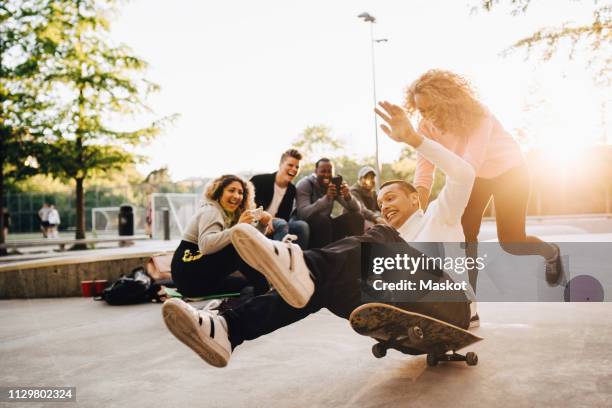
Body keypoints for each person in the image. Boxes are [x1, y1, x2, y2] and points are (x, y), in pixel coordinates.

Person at [161, 101, 477, 367]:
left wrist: (414, 139)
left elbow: (464, 174)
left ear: (415, 198)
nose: (385, 205)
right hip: (409, 326)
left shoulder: (440, 213)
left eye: (391, 198)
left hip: (451, 307)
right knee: (318, 287)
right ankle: (228, 330)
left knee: (377, 237)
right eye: (381, 202)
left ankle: (301, 262)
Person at [406, 70, 564, 307]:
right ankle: (469, 304)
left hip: (510, 173)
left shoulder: (477, 114)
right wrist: (416, 208)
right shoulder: (425, 127)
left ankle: (550, 253)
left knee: (511, 242)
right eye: (422, 110)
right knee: (465, 239)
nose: (429, 116)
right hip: (474, 177)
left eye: (433, 108)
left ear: (448, 100)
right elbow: (424, 171)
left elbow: (471, 162)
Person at [170, 174, 272, 298]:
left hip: (200, 280)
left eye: (240, 192)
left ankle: (259, 294)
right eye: (231, 190)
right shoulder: (211, 210)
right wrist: (238, 228)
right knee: (239, 246)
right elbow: (206, 246)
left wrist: (262, 224)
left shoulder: (231, 214)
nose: (236, 196)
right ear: (219, 193)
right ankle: (266, 293)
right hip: (188, 273)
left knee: (248, 284)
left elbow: (250, 240)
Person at [295, 158, 364, 248]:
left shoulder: (333, 185)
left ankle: (356, 253)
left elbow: (357, 209)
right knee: (322, 220)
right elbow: (303, 214)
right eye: (323, 171)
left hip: (326, 227)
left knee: (356, 217)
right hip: (309, 228)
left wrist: (348, 196)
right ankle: (324, 256)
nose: (326, 175)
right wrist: (326, 198)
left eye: (329, 171)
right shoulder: (305, 184)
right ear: (316, 171)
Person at [250, 149, 309, 249]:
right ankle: (276, 257)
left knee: (302, 226)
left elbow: (284, 216)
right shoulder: (259, 180)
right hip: (257, 219)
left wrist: (272, 220)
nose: (294, 169)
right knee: (282, 224)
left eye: (297, 167)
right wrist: (265, 218)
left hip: (277, 223)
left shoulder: (291, 190)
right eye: (290, 165)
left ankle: (299, 259)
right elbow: (249, 205)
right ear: (280, 164)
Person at [346, 166, 385, 230]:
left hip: (368, 220)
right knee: (373, 227)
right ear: (360, 179)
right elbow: (362, 209)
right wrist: (376, 218)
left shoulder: (373, 193)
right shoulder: (353, 191)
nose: (370, 181)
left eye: (372, 178)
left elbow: (381, 206)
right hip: (354, 222)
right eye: (366, 178)